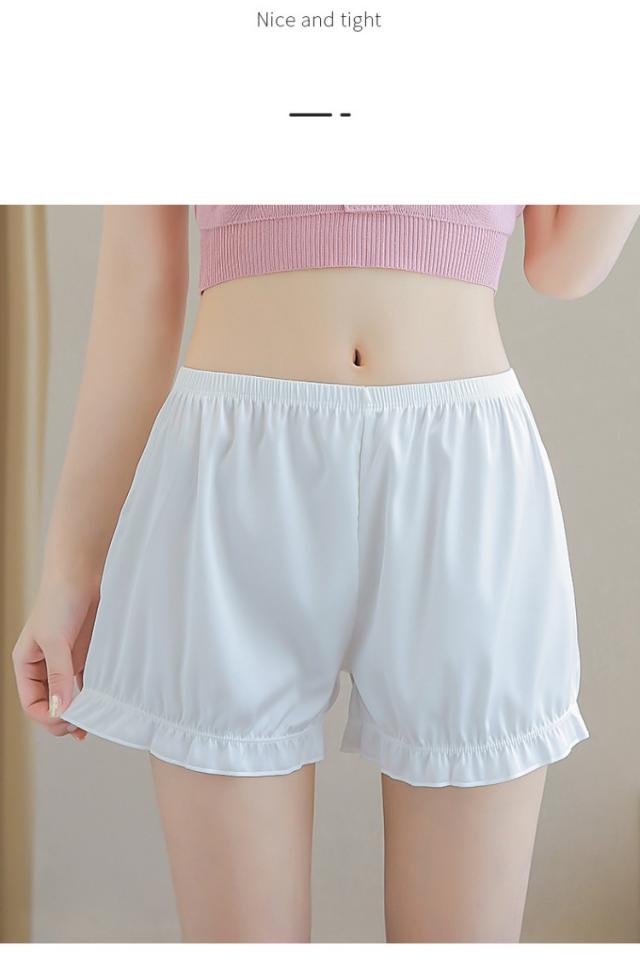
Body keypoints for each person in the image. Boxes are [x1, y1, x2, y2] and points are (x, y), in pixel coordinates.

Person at [12, 204, 640, 944]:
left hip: (459, 470)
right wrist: (72, 564)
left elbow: (566, 264)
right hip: (233, 470)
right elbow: (138, 273)